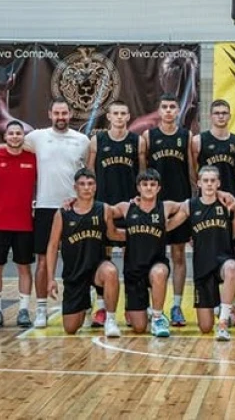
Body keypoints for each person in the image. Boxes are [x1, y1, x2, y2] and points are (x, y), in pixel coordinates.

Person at [23, 97, 91, 328]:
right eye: (57, 113)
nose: (61, 117)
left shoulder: (82, 141)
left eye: (64, 113)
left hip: (75, 207)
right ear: (50, 114)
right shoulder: (36, 137)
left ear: (70, 114)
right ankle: (41, 309)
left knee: (82, 259)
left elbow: (87, 174)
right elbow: (11, 144)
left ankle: (85, 305)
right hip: (45, 207)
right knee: (43, 260)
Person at [108, 169, 189, 337]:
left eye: (153, 184)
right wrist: (74, 201)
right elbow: (103, 210)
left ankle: (158, 317)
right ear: (138, 187)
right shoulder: (126, 207)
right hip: (133, 271)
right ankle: (144, 310)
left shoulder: (165, 207)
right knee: (139, 327)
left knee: (159, 272)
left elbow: (190, 205)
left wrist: (169, 226)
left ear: (159, 188)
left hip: (156, 264)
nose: (149, 188)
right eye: (145, 184)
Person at [86, 100, 143, 327]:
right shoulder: (97, 140)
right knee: (102, 257)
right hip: (104, 206)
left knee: (132, 259)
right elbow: (89, 172)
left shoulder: (137, 141)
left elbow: (142, 174)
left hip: (130, 208)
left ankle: (131, 306)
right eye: (115, 113)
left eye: (123, 113)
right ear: (108, 117)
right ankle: (101, 307)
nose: (119, 117)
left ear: (128, 116)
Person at [45, 169, 121, 337]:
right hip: (75, 272)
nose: (86, 187)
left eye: (90, 184)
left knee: (110, 271)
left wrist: (139, 230)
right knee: (71, 328)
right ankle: (86, 304)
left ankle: (110, 320)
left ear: (95, 187)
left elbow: (113, 233)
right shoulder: (63, 213)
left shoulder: (104, 209)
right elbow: (52, 246)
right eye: (82, 184)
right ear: (75, 187)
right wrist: (50, 279)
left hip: (97, 268)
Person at [142, 94, 196, 328]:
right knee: (152, 256)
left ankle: (176, 305)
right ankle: (153, 307)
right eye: (164, 107)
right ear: (159, 110)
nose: (168, 110)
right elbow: (143, 172)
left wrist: (194, 201)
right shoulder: (149, 136)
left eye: (172, 107)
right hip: (155, 204)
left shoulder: (186, 136)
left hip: (180, 202)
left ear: (178, 110)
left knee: (178, 255)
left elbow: (192, 171)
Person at [169, 166, 235, 341]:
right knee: (205, 327)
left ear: (218, 183)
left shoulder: (227, 203)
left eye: (213, 181)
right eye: (205, 181)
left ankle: (223, 321)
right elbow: (169, 225)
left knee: (232, 267)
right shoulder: (190, 205)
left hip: (223, 260)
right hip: (202, 266)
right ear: (199, 183)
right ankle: (218, 308)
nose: (209, 184)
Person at [192, 99, 235, 327]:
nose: (221, 116)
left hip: (229, 201)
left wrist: (230, 196)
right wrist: (209, 193)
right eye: (217, 113)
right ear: (210, 115)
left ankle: (229, 309)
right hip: (207, 202)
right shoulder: (199, 141)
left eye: (225, 112)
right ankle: (212, 302)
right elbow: (194, 171)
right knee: (206, 250)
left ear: (229, 115)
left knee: (232, 253)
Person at [0, 120, 37, 328]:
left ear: (23, 137)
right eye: (11, 133)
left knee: (24, 268)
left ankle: (23, 310)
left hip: (24, 224)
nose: (15, 136)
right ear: (5, 137)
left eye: (18, 133)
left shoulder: (33, 159)